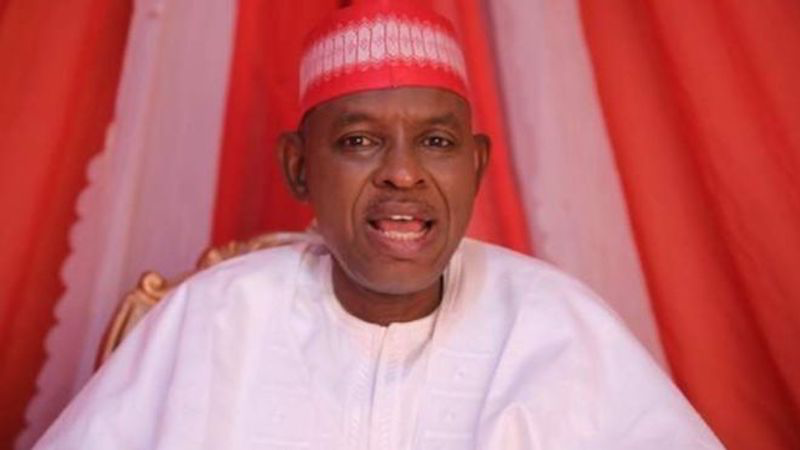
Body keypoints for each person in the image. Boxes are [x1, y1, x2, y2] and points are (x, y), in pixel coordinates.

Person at [36, 1, 723, 449]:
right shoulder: (210, 319)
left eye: (437, 142)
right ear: (299, 168)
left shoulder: (561, 326)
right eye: (359, 141)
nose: (402, 173)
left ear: (476, 165)